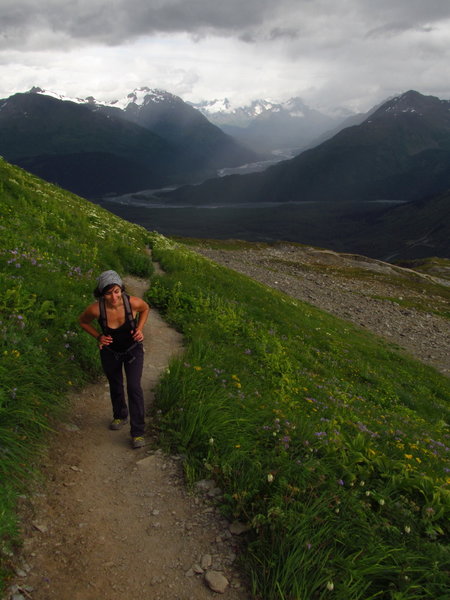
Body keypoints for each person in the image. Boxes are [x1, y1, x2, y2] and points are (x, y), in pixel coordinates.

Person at [79, 270, 150, 449]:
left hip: (133, 350)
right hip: (110, 352)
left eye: (117, 291)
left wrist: (140, 329)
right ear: (102, 293)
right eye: (108, 293)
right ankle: (120, 415)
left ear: (121, 289)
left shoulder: (131, 303)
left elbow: (145, 308)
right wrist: (98, 337)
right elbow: (82, 322)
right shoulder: (96, 309)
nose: (113, 297)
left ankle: (138, 433)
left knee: (134, 387)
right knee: (115, 384)